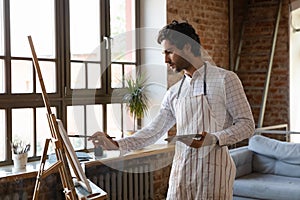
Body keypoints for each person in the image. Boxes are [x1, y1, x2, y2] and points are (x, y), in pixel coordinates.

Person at [89, 20, 255, 200]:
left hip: (213, 175)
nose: (165, 59)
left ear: (187, 47)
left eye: (170, 52)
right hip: (181, 174)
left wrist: (214, 138)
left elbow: (247, 125)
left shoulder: (225, 79)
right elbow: (154, 131)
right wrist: (116, 144)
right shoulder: (174, 92)